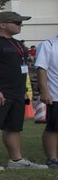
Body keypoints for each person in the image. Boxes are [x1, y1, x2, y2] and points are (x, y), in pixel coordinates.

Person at [0, 12, 46, 170]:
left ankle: (16, 160)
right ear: (3, 24)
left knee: (13, 127)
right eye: (17, 22)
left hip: (17, 92)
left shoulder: (18, 44)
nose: (20, 25)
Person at [35, 33, 58, 168]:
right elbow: (41, 69)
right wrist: (44, 91)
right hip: (55, 94)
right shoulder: (48, 45)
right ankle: (52, 158)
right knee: (53, 128)